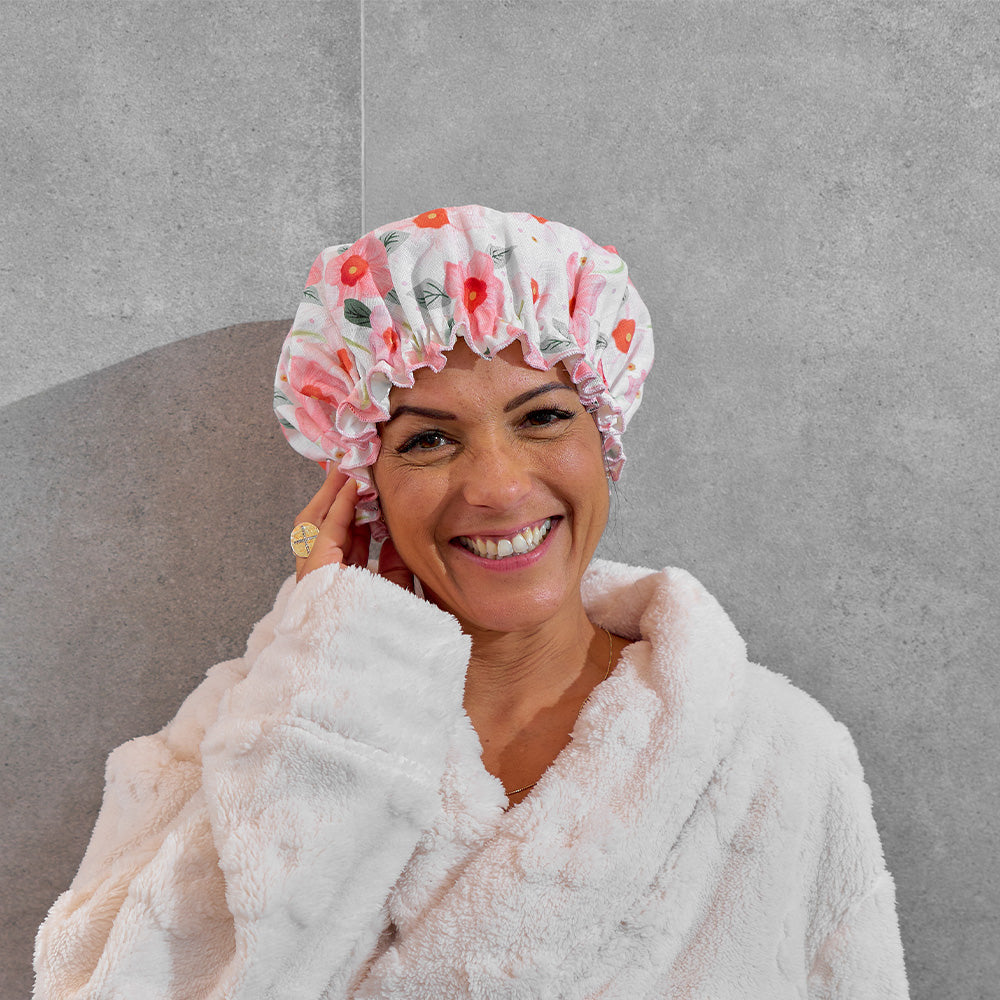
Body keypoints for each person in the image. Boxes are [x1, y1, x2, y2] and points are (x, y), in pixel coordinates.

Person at [33, 206, 909, 998]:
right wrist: (333, 677)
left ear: (604, 438)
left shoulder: (781, 757)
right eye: (429, 439)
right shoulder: (251, 730)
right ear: (359, 486)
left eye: (542, 418)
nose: (496, 487)